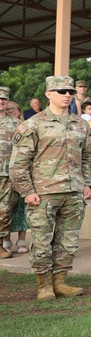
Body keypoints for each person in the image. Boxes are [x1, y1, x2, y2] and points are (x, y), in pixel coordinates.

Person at [9, 76, 91, 300]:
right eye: (61, 91)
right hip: (43, 193)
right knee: (41, 241)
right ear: (48, 94)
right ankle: (44, 285)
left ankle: (60, 282)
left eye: (70, 91)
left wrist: (87, 183)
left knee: (69, 240)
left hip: (73, 192)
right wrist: (27, 191)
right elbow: (18, 163)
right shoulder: (33, 124)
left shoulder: (81, 124)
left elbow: (88, 157)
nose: (67, 95)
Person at [2, 101, 28, 254]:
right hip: (4, 173)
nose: (10, 110)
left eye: (13, 109)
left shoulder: (21, 125)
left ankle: (20, 240)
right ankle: (5, 240)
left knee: (17, 208)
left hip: (16, 172)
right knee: (4, 209)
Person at [0, 87, 19, 260]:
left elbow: (24, 149)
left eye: (3, 99)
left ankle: (0, 244)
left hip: (7, 174)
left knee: (4, 211)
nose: (1, 102)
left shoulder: (16, 124)